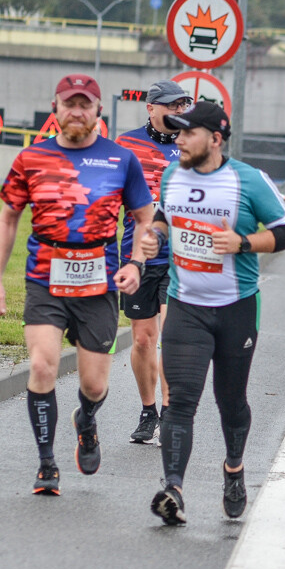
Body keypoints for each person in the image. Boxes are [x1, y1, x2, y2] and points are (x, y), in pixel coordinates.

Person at [0, 74, 153, 495]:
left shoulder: (121, 160)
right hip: (45, 277)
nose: (76, 111)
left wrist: (135, 263)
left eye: (85, 104)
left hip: (99, 281)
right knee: (42, 365)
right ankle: (46, 465)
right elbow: (7, 218)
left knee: (95, 384)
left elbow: (145, 217)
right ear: (55, 108)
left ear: (99, 111)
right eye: (68, 103)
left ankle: (87, 420)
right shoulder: (31, 159)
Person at [140, 102, 285, 526]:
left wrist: (243, 244)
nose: (178, 140)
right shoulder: (173, 175)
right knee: (180, 401)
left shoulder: (247, 180)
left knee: (230, 402)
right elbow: (161, 216)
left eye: (187, 133)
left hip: (236, 309)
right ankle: (173, 488)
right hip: (186, 306)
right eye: (176, 132)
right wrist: (155, 235)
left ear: (214, 138)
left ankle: (234, 468)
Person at [115, 80, 193, 444]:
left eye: (183, 105)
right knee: (144, 339)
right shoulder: (126, 144)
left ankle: (168, 412)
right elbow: (109, 198)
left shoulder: (193, 142)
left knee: (170, 338)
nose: (178, 112)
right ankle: (148, 411)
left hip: (181, 257)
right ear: (151, 108)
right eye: (171, 106)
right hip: (139, 255)